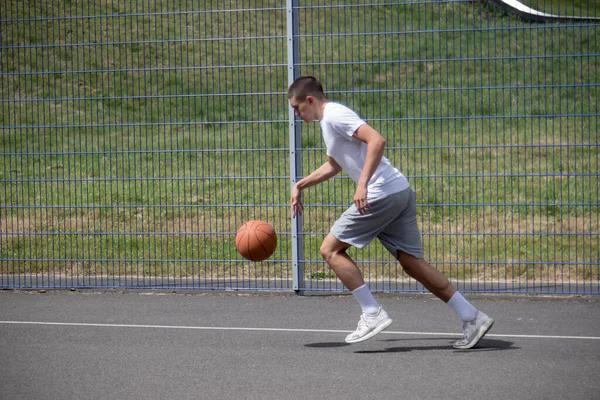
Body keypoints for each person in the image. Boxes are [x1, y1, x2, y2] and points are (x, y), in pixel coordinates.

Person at [288, 76, 494, 347]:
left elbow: (376, 140)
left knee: (330, 249)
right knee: (412, 263)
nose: (295, 113)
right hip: (398, 190)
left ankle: (372, 312)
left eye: (296, 107)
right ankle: (472, 316)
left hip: (381, 193)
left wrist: (362, 184)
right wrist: (300, 184)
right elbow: (334, 165)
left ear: (310, 100)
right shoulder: (329, 122)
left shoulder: (335, 115)